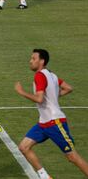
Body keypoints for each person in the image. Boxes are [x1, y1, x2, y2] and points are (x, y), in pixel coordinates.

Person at [15, 49, 88, 178]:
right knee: (24, 147)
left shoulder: (39, 75)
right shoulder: (52, 75)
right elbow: (68, 88)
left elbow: (39, 99)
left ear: (41, 61)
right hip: (44, 123)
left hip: (55, 122)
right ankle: (45, 176)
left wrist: (21, 92)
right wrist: (53, 96)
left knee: (72, 156)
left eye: (33, 58)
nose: (30, 61)